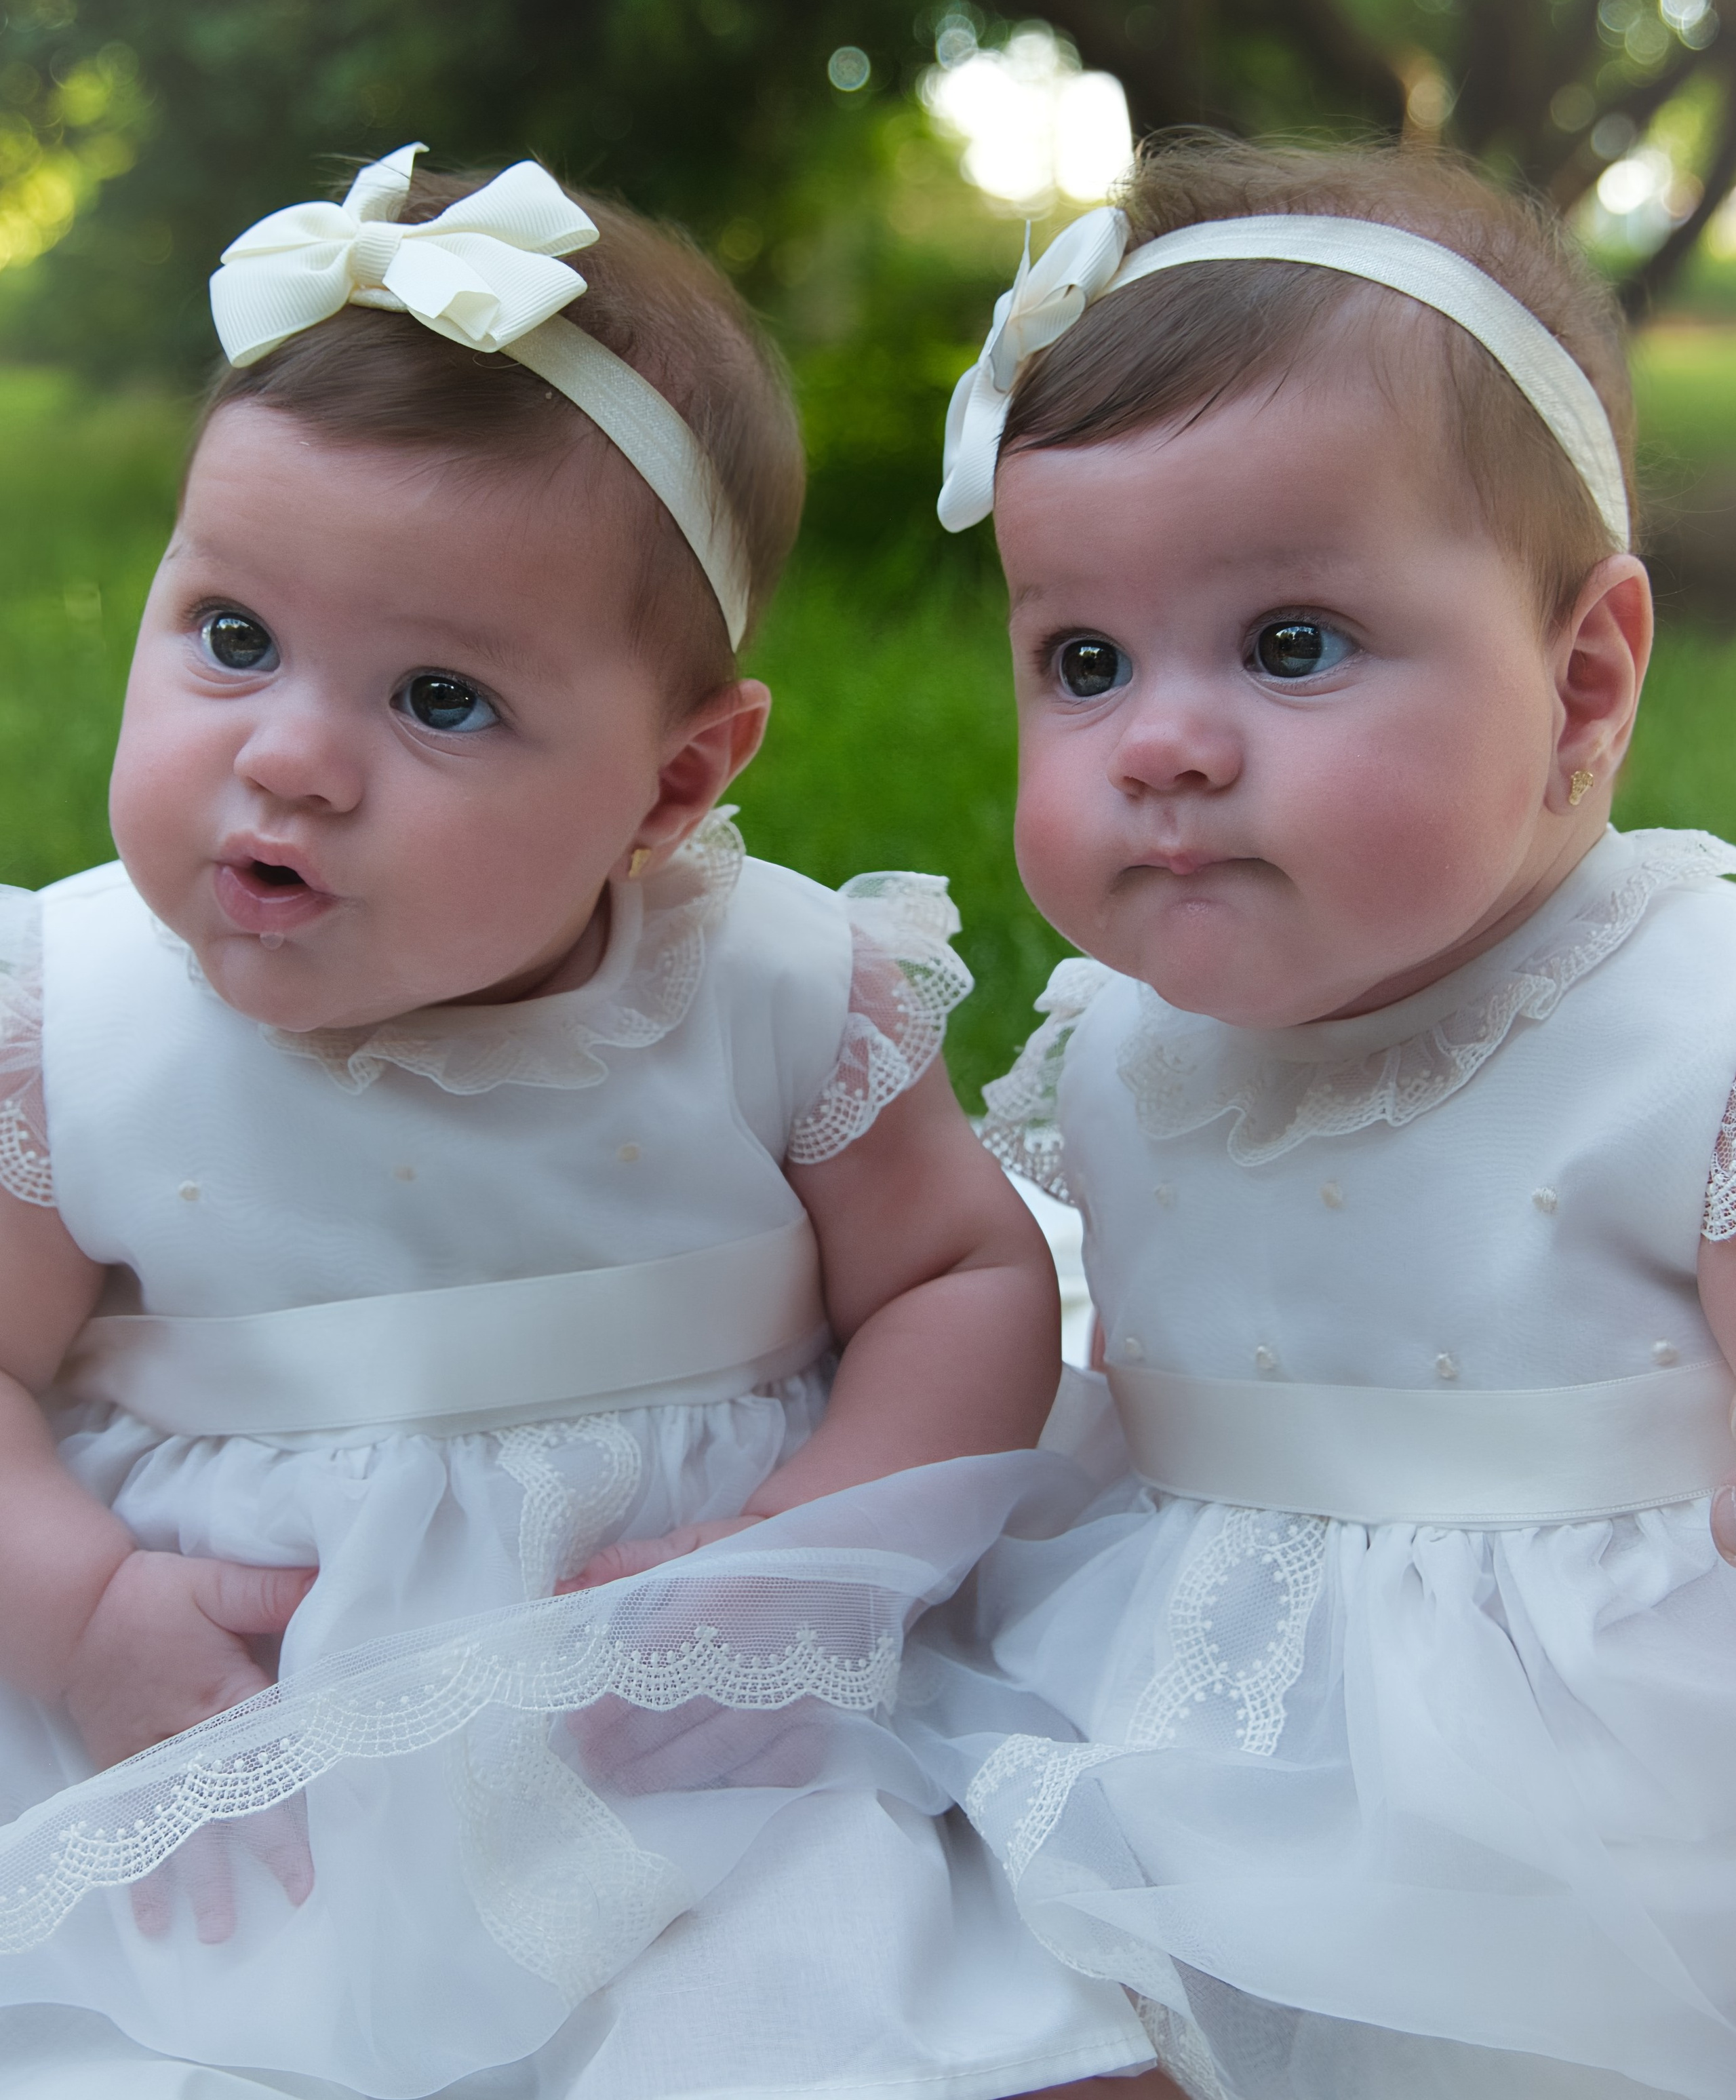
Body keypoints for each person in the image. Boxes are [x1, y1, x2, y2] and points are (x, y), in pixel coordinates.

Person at [0, 148, 1156, 2099]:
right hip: (243, 1745)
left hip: (690, 1732)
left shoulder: (775, 992)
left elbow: (958, 1279)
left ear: (674, 784)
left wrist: (809, 1559)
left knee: (891, 2020)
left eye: (440, 699)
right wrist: (83, 1606)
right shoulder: (74, 1022)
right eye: (232, 636)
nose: (289, 755)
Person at [898, 134, 1736, 2100]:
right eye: (1083, 662)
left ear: (1583, 680)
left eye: (1291, 645)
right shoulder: (1117, 1045)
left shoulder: (1689, 1024)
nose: (1162, 744)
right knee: (986, 1989)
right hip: (1168, 1687)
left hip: (1577, 1792)